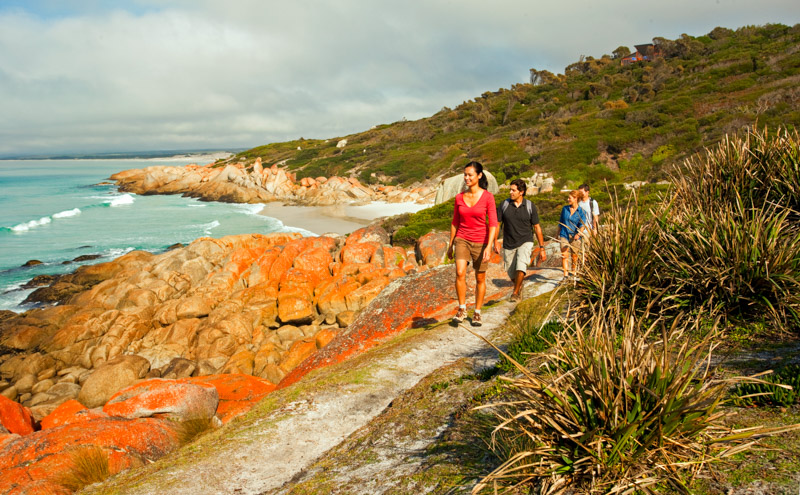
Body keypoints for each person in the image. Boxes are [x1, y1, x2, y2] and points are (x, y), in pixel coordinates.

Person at [447, 161, 498, 327]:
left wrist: (489, 246)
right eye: (465, 175)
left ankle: (477, 312)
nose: (466, 178)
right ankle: (462, 309)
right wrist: (450, 244)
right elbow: (455, 222)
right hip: (462, 238)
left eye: (470, 175)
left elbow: (493, 224)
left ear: (479, 175)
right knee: (460, 272)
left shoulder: (488, 197)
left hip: (481, 241)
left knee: (480, 278)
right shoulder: (459, 197)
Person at [494, 179, 546, 302]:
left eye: (513, 190)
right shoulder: (504, 205)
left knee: (521, 266)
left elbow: (537, 227)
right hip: (509, 243)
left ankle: (515, 293)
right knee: (511, 273)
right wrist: (495, 241)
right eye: (510, 190)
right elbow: (497, 224)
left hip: (526, 241)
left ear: (521, 192)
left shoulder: (529, 206)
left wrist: (542, 247)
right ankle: (519, 285)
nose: (510, 192)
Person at [558, 189, 588, 280]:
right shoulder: (565, 209)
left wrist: (579, 233)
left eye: (570, 198)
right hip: (564, 234)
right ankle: (565, 275)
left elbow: (582, 225)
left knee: (574, 256)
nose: (568, 199)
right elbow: (561, 222)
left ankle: (574, 272)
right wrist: (557, 234)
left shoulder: (582, 211)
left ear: (575, 199)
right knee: (564, 255)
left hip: (575, 235)